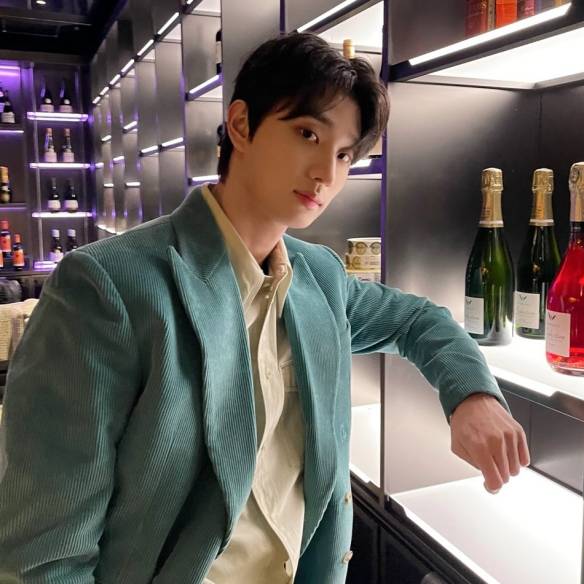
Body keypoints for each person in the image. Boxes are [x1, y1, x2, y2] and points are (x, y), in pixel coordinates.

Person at [0, 33, 529, 584]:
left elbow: (419, 321)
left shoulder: (319, 276)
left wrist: (472, 394)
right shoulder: (107, 285)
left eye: (345, 154)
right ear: (240, 125)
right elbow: (44, 557)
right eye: (308, 134)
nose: (327, 173)